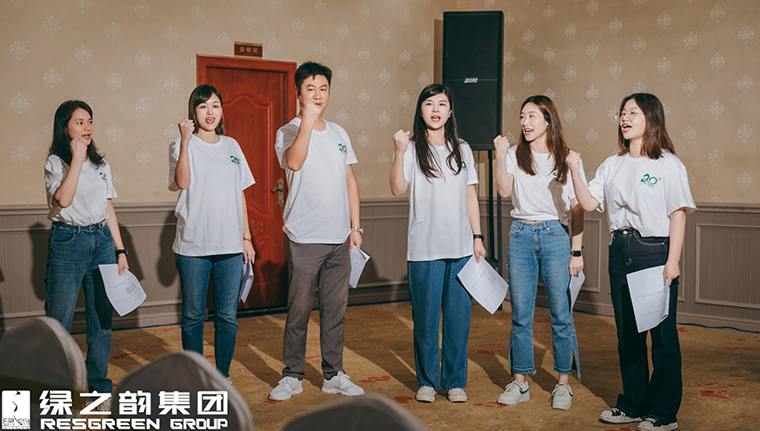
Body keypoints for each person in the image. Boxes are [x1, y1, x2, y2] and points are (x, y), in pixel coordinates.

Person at [568, 93, 695, 431]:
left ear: (651, 118)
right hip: (619, 251)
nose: (624, 118)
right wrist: (576, 171)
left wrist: (673, 261)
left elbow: (678, 215)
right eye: (622, 113)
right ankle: (633, 404)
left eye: (632, 113)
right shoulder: (612, 164)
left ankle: (664, 413)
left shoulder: (668, 164)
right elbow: (588, 203)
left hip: (654, 252)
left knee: (662, 338)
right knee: (628, 335)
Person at [269, 61, 365, 401]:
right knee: (298, 312)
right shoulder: (288, 131)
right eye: (310, 88)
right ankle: (292, 375)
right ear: (298, 93)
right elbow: (294, 162)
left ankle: (333, 374)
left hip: (340, 238)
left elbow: (350, 181)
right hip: (304, 238)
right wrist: (308, 121)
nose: (318, 94)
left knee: (334, 312)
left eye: (323, 88)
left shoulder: (339, 133)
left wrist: (355, 227)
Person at [389, 83, 486, 403]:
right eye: (429, 103)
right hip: (424, 249)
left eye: (442, 104)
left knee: (459, 320)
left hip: (461, 248)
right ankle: (428, 381)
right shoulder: (411, 148)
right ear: (420, 110)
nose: (435, 109)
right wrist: (398, 151)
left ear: (450, 111)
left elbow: (470, 195)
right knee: (426, 321)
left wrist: (477, 237)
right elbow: (397, 188)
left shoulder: (463, 149)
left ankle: (455, 381)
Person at [493, 95, 585, 410]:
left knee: (561, 313)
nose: (525, 122)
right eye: (522, 116)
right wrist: (499, 155)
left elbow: (577, 208)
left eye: (532, 116)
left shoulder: (567, 158)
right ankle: (520, 382)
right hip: (520, 234)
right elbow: (504, 190)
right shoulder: (514, 154)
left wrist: (577, 250)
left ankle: (563, 385)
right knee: (521, 314)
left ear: (548, 120)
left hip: (555, 235)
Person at [169, 84, 256, 380]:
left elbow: (240, 194)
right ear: (193, 111)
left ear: (221, 110)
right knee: (193, 316)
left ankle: (222, 377)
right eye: (203, 106)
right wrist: (185, 141)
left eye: (215, 105)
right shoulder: (181, 144)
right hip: (193, 245)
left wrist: (246, 237)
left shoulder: (232, 146)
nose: (210, 112)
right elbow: (182, 182)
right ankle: (196, 377)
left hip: (230, 245)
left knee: (227, 317)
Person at [44, 100, 129, 395]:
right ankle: (57, 389)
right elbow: (63, 200)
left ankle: (98, 385)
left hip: (102, 240)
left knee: (101, 319)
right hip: (68, 242)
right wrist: (77, 158)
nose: (87, 127)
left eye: (89, 121)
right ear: (65, 127)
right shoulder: (55, 163)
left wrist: (120, 250)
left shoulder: (101, 164)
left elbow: (108, 208)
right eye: (79, 122)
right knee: (59, 321)